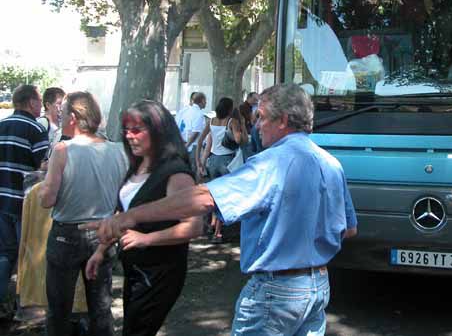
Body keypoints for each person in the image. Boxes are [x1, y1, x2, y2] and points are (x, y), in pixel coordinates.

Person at [86, 83, 358, 336]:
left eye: (261, 117)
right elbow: (348, 228)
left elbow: (204, 197)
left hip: (277, 291)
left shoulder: (272, 163)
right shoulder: (331, 163)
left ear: (284, 120)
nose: (255, 125)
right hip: (317, 286)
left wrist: (130, 217)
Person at [85, 100, 202, 336]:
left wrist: (146, 239)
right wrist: (100, 250)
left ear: (158, 131)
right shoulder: (137, 165)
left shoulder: (176, 172)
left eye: (136, 130)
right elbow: (123, 215)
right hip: (135, 267)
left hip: (160, 272)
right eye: (126, 130)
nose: (129, 136)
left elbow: (194, 226)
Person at [38, 91, 128, 336]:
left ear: (74, 117)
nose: (60, 115)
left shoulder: (62, 150)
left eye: (64, 111)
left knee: (59, 309)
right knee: (100, 308)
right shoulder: (119, 150)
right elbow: (124, 197)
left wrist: (42, 183)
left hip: (66, 234)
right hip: (104, 233)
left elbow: (47, 200)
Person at [0, 85, 48, 319]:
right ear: (30, 102)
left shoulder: (1, 126)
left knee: (5, 253)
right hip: (23, 204)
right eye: (39, 101)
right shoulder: (35, 130)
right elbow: (44, 167)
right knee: (28, 254)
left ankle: (2, 302)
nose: (41, 106)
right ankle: (26, 306)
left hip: (1, 201)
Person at [196, 97, 247, 243]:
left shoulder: (211, 121)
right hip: (227, 161)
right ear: (230, 109)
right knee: (224, 196)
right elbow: (239, 140)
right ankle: (218, 232)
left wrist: (200, 162)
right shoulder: (232, 122)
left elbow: (201, 141)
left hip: (213, 161)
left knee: (214, 194)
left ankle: (211, 225)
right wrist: (242, 126)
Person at [182, 92, 208, 179]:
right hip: (194, 146)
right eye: (205, 101)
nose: (206, 103)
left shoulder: (186, 111)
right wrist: (187, 145)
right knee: (194, 171)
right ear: (202, 101)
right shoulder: (199, 114)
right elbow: (196, 132)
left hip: (186, 143)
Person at [37, 87, 66, 155]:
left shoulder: (62, 122)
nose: (62, 107)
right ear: (48, 105)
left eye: (64, 103)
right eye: (59, 103)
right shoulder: (42, 123)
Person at [239, 92, 259, 160]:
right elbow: (252, 121)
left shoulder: (252, 107)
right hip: (246, 134)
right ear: (249, 98)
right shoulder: (244, 107)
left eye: (257, 100)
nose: (256, 101)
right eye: (254, 99)